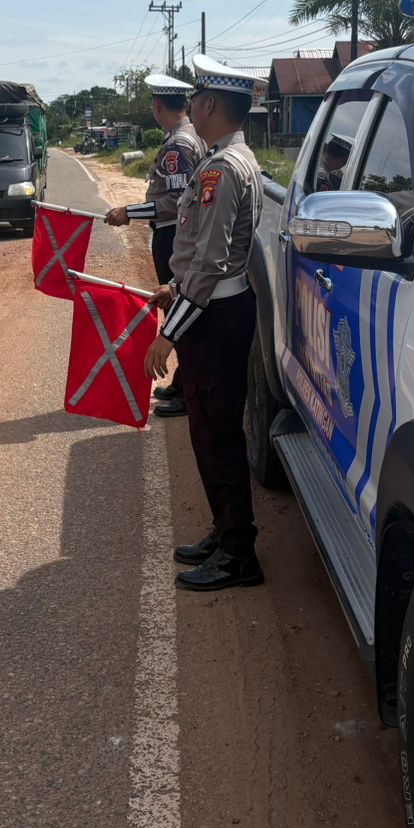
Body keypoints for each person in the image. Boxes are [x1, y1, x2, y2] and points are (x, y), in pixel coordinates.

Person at [143, 54, 264, 592]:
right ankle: (224, 530)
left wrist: (170, 333)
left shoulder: (219, 171)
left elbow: (213, 267)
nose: (190, 105)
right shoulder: (228, 160)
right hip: (214, 312)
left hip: (216, 319)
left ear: (210, 103)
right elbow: (203, 257)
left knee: (217, 434)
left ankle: (240, 553)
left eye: (195, 97)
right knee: (207, 429)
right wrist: (173, 285)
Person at [106, 74, 205, 418]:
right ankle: (182, 381)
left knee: (177, 312)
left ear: (157, 105)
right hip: (175, 234)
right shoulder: (187, 136)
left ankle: (189, 390)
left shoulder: (178, 145)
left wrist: (128, 212)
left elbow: (177, 200)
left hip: (173, 235)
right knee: (177, 308)